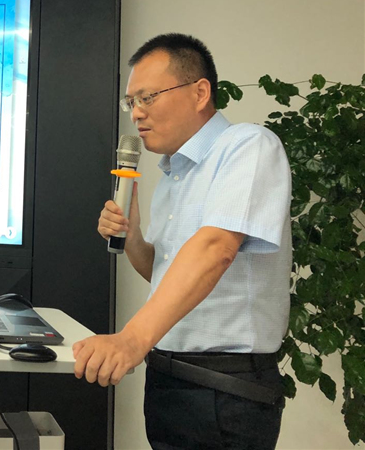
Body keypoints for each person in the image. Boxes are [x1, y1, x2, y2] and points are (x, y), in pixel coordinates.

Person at [73, 33, 292, 449]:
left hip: (224, 387)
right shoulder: (173, 175)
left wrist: (131, 339)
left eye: (147, 97)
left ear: (200, 92)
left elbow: (215, 249)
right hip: (168, 377)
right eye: (130, 102)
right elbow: (162, 271)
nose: (136, 113)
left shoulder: (247, 146)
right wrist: (132, 236)